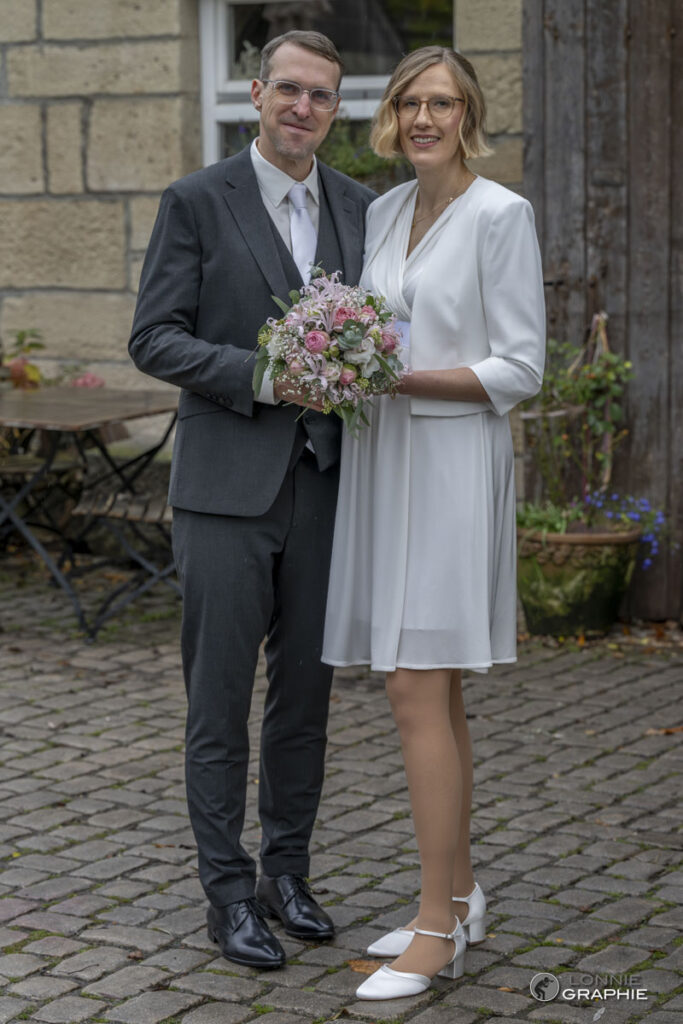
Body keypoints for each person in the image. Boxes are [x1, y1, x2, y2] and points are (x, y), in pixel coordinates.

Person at [129, 30, 375, 970]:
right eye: (288, 89)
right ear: (255, 94)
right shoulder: (197, 199)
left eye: (321, 95)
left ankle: (287, 874)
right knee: (219, 702)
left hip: (325, 483)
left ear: (334, 109)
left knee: (305, 700)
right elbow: (154, 338)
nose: (302, 107)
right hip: (226, 490)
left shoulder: (360, 207)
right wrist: (267, 375)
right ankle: (227, 895)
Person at [322, 46, 546, 999]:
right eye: (409, 102)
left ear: (467, 116)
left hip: (452, 466)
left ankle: (432, 929)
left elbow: (520, 367)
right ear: (392, 116)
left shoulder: (500, 214)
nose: (423, 118)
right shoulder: (381, 213)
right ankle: (457, 895)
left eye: (441, 103)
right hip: (386, 463)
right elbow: (374, 330)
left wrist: (399, 378)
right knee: (433, 690)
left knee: (414, 685)